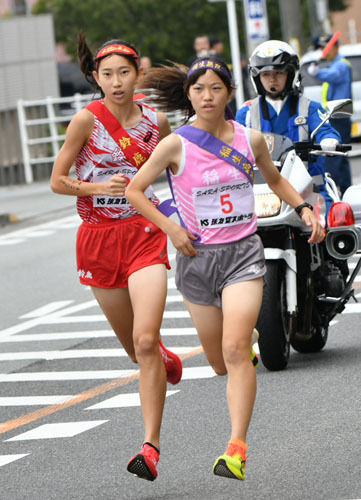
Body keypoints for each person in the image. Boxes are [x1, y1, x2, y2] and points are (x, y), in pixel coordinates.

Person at [126, 56, 325, 481]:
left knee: (235, 351)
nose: (207, 96)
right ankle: (246, 335)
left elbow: (273, 179)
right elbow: (135, 190)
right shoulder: (175, 144)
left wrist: (305, 208)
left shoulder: (249, 139)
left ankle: (236, 449)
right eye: (199, 90)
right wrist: (171, 229)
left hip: (242, 255)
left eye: (216, 88)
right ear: (190, 95)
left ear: (229, 93)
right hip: (197, 261)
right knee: (220, 361)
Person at [50, 32, 183, 482]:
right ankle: (159, 358)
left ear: (138, 72)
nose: (117, 81)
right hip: (98, 238)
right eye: (107, 75)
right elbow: (57, 180)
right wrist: (93, 188)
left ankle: (150, 446)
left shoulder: (156, 124)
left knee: (145, 339)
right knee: (135, 349)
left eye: (124, 72)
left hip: (144, 235)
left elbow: (177, 176)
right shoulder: (86, 121)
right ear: (96, 78)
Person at [236, 40, 342, 218]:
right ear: (257, 78)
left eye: (279, 73)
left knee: (331, 224)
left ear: (291, 74)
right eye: (266, 74)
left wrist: (328, 140)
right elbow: (232, 139)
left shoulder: (309, 107)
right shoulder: (246, 113)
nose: (272, 79)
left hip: (309, 186)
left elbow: (325, 130)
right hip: (263, 190)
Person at [308, 33, 352, 196]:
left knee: (333, 158)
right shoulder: (335, 63)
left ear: (334, 47)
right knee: (341, 159)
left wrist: (316, 72)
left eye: (326, 48)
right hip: (336, 115)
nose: (324, 52)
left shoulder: (341, 64)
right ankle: (346, 191)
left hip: (338, 116)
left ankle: (337, 193)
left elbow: (332, 75)